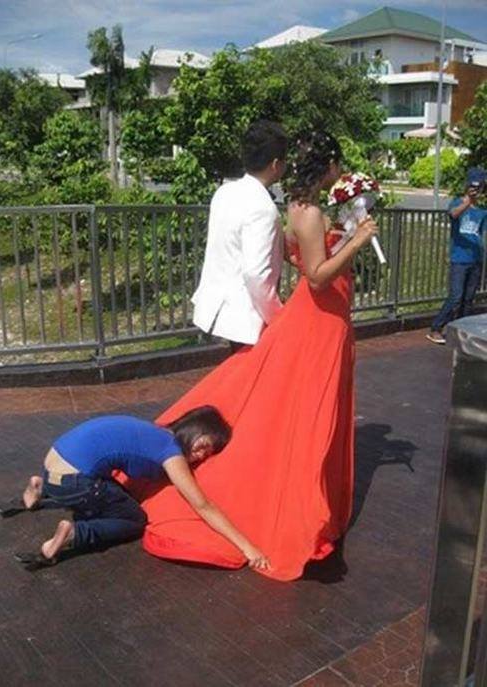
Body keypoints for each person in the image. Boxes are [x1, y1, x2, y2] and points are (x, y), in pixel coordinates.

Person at [121, 133, 378, 581]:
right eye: (339, 164)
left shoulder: (283, 205)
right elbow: (316, 277)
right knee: (291, 408)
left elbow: (299, 259)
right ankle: (264, 486)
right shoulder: (306, 211)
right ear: (329, 165)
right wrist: (356, 241)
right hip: (313, 320)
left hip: (306, 315)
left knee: (275, 402)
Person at [0, 407, 269, 571]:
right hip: (75, 481)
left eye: (207, 454)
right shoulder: (171, 452)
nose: (200, 455)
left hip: (52, 465)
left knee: (112, 493)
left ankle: (37, 490)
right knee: (134, 519)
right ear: (194, 431)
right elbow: (202, 505)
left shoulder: (155, 432)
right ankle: (74, 534)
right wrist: (248, 547)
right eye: (202, 445)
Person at [192, 120, 288, 353]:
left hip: (219, 305)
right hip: (247, 316)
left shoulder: (224, 192)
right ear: (276, 164)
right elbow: (256, 273)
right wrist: (278, 317)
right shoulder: (263, 208)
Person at [427, 167, 487, 345]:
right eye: (474, 186)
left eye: (480, 187)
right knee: (456, 297)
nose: (477, 190)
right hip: (460, 259)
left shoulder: (482, 210)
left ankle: (462, 332)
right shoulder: (457, 202)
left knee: (468, 299)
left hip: (476, 259)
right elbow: (453, 214)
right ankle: (436, 328)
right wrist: (468, 201)